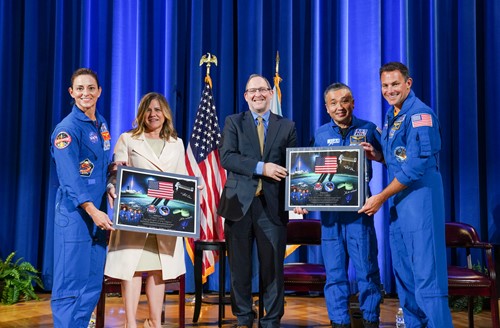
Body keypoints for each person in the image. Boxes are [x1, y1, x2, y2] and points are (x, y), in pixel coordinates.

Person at [359, 62, 453, 327]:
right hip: (400, 207)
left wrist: (380, 197)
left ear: (408, 83)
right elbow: (399, 160)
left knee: (427, 280)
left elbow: (416, 166)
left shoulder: (421, 115)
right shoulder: (393, 116)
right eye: (385, 86)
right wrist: (377, 156)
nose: (390, 90)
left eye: (395, 84)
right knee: (405, 278)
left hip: (420, 204)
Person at [294, 83, 383, 328]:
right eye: (333, 103)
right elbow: (308, 172)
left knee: (367, 270)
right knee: (334, 274)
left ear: (353, 102)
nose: (339, 107)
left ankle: (370, 319)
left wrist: (376, 154)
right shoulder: (321, 133)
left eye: (344, 101)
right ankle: (339, 322)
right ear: (326, 108)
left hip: (359, 214)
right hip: (330, 217)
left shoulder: (369, 129)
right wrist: (301, 200)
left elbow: (391, 159)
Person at [217, 74, 297, 328]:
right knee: (239, 267)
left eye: (263, 90)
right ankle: (243, 317)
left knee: (272, 268)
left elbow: (293, 167)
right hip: (238, 205)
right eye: (252, 91)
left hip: (272, 207)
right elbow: (227, 158)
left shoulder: (287, 125)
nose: (258, 95)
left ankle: (271, 319)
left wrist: (298, 196)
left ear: (271, 94)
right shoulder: (233, 122)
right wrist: (262, 168)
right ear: (245, 96)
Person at [105, 92, 187, 328]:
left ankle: (154, 322)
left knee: (158, 269)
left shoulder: (177, 143)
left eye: (158, 110)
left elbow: (182, 179)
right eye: (149, 110)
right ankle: (130, 322)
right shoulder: (128, 139)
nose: (153, 114)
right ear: (142, 114)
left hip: (165, 218)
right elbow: (116, 171)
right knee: (131, 268)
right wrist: (112, 185)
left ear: (165, 115)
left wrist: (193, 190)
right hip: (136, 217)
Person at [50, 68, 114, 328]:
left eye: (90, 88)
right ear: (71, 93)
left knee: (92, 282)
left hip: (98, 213)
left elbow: (101, 164)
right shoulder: (66, 130)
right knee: (71, 283)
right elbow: (70, 179)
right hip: (77, 215)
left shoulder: (101, 123)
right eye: (80, 88)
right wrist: (92, 210)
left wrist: (111, 183)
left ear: (99, 91)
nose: (85, 93)